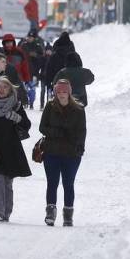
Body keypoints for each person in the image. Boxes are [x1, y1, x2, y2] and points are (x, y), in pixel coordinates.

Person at [38, 78, 86, 227]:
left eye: (65, 91)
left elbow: (82, 131)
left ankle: (68, 215)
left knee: (68, 184)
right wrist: (57, 132)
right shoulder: (50, 106)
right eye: (59, 91)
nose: (62, 94)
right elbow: (42, 127)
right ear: (55, 92)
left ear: (69, 92)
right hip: (52, 151)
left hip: (71, 154)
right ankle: (50, 213)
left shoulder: (78, 109)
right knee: (52, 183)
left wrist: (79, 147)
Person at [0, 78, 31, 222]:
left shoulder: (16, 106)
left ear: (10, 90)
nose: (1, 89)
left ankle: (6, 212)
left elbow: (26, 125)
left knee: (8, 182)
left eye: (5, 87)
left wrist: (17, 117)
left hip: (12, 149)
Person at [1, 34, 32, 104]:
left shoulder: (19, 52)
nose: (9, 44)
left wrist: (27, 79)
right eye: (7, 43)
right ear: (4, 43)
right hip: (4, 79)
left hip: (17, 79)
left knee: (16, 99)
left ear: (13, 42)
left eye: (10, 42)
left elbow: (25, 66)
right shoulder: (1, 52)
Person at [20, 30, 46, 106]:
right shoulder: (23, 46)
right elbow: (19, 56)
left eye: (31, 37)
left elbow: (42, 59)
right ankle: (25, 102)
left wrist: (36, 56)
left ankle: (31, 102)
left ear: (34, 38)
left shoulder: (38, 47)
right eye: (29, 37)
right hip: (24, 71)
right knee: (24, 88)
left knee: (32, 89)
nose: (29, 38)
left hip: (34, 71)